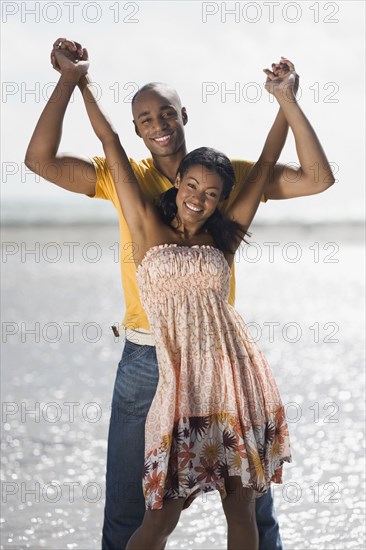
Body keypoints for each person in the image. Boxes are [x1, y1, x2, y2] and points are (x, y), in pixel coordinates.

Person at [24, 40, 335, 550]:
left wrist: (286, 100)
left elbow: (299, 172)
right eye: (145, 117)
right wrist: (76, 80)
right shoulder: (138, 202)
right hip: (149, 357)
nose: (200, 197)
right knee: (139, 504)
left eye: (166, 112)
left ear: (184, 114)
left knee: (251, 505)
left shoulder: (226, 192)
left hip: (224, 362)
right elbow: (77, 150)